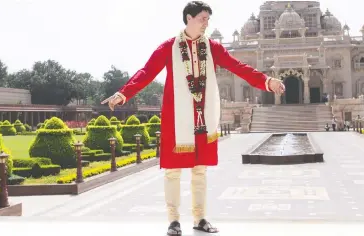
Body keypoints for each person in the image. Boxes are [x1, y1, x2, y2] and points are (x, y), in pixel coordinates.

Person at [101, 1, 285, 235]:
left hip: (203, 117)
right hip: (177, 118)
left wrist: (267, 81)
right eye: (202, 19)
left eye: (208, 19)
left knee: (200, 170)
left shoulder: (213, 47)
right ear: (189, 18)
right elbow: (146, 72)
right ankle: (174, 221)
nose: (206, 24)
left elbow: (238, 67)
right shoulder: (169, 47)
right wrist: (123, 93)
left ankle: (200, 218)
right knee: (173, 171)